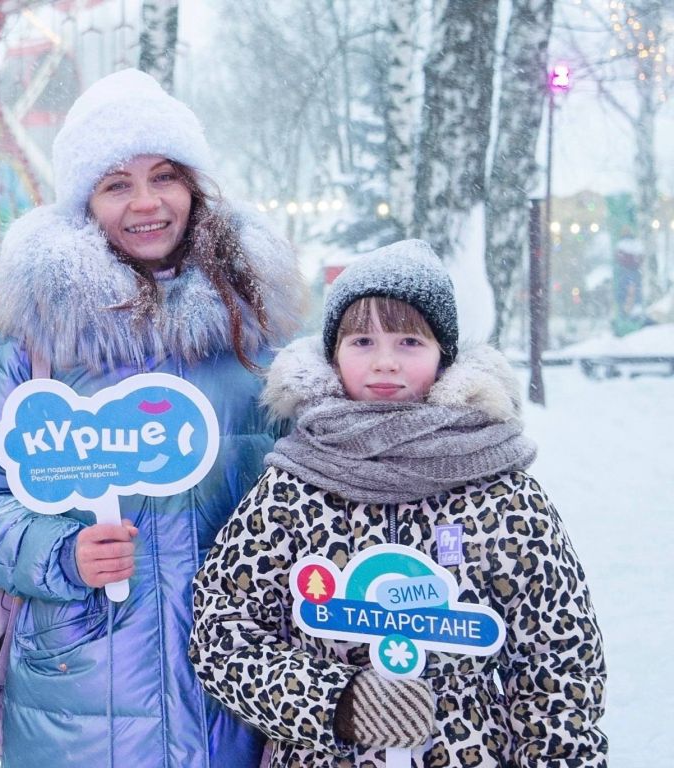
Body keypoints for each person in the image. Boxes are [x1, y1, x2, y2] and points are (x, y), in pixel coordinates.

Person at [0, 68, 306, 767]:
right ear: (84, 204)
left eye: (164, 176)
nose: (146, 204)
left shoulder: (257, 338)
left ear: (194, 185)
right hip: (79, 699)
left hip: (232, 693)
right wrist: (60, 553)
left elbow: (318, 491)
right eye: (115, 184)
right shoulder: (37, 343)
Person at [189, 240, 607, 767]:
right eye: (362, 340)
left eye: (410, 340)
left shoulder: (502, 494)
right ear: (333, 353)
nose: (384, 363)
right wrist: (336, 702)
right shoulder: (291, 492)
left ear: (444, 353)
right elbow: (223, 632)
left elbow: (558, 660)